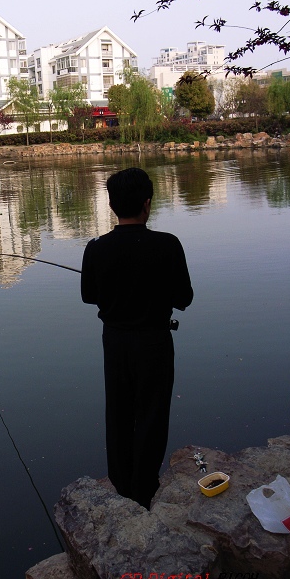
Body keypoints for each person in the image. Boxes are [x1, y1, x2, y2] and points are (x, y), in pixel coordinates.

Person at [81, 167, 193, 509]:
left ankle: (121, 483)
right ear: (147, 204)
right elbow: (184, 299)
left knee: (118, 409)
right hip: (155, 342)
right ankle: (146, 485)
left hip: (115, 342)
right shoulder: (168, 245)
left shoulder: (96, 248)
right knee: (152, 411)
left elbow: (89, 296)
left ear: (113, 205)